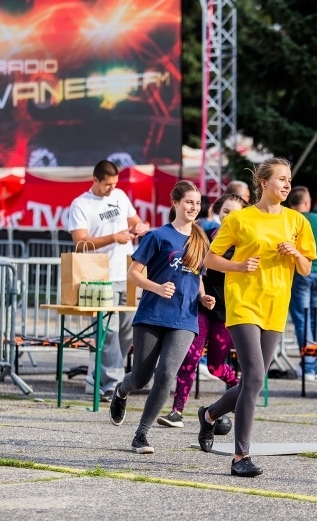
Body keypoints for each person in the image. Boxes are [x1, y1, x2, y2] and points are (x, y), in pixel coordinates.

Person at [196, 157, 316, 477]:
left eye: (289, 179)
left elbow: (307, 269)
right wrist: (238, 266)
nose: (287, 184)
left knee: (255, 381)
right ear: (264, 183)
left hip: (275, 306)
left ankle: (209, 415)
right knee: (253, 376)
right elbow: (211, 259)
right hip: (243, 303)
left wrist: (296, 254)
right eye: (281, 179)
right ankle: (240, 457)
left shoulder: (296, 222)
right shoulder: (240, 220)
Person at [108, 180, 213, 453]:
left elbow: (197, 276)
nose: (194, 207)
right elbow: (133, 273)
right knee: (142, 378)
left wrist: (203, 297)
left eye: (198, 203)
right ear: (175, 203)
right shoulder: (157, 236)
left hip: (184, 319)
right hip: (152, 315)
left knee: (167, 374)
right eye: (189, 201)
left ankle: (141, 434)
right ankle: (121, 391)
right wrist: (156, 287)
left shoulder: (201, 239)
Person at [157, 193, 248, 428]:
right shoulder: (205, 237)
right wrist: (202, 294)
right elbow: (198, 269)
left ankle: (241, 390)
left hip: (228, 311)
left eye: (236, 213)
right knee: (191, 357)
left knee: (217, 366)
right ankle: (177, 411)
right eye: (226, 211)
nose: (230, 217)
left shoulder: (246, 242)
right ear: (217, 212)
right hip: (202, 307)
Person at [67, 160, 149, 401]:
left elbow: (134, 221)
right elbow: (80, 242)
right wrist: (114, 237)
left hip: (127, 272)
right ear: (95, 180)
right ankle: (115, 383)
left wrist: (140, 226)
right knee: (108, 332)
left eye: (114, 184)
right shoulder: (81, 204)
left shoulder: (121, 196)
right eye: (107, 185)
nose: (111, 188)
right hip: (98, 276)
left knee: (126, 332)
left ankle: (97, 377)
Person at [287, 186, 317, 379]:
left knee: (302, 320)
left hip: (301, 272)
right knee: (316, 320)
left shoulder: (292, 220)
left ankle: (309, 365)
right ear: (306, 202)